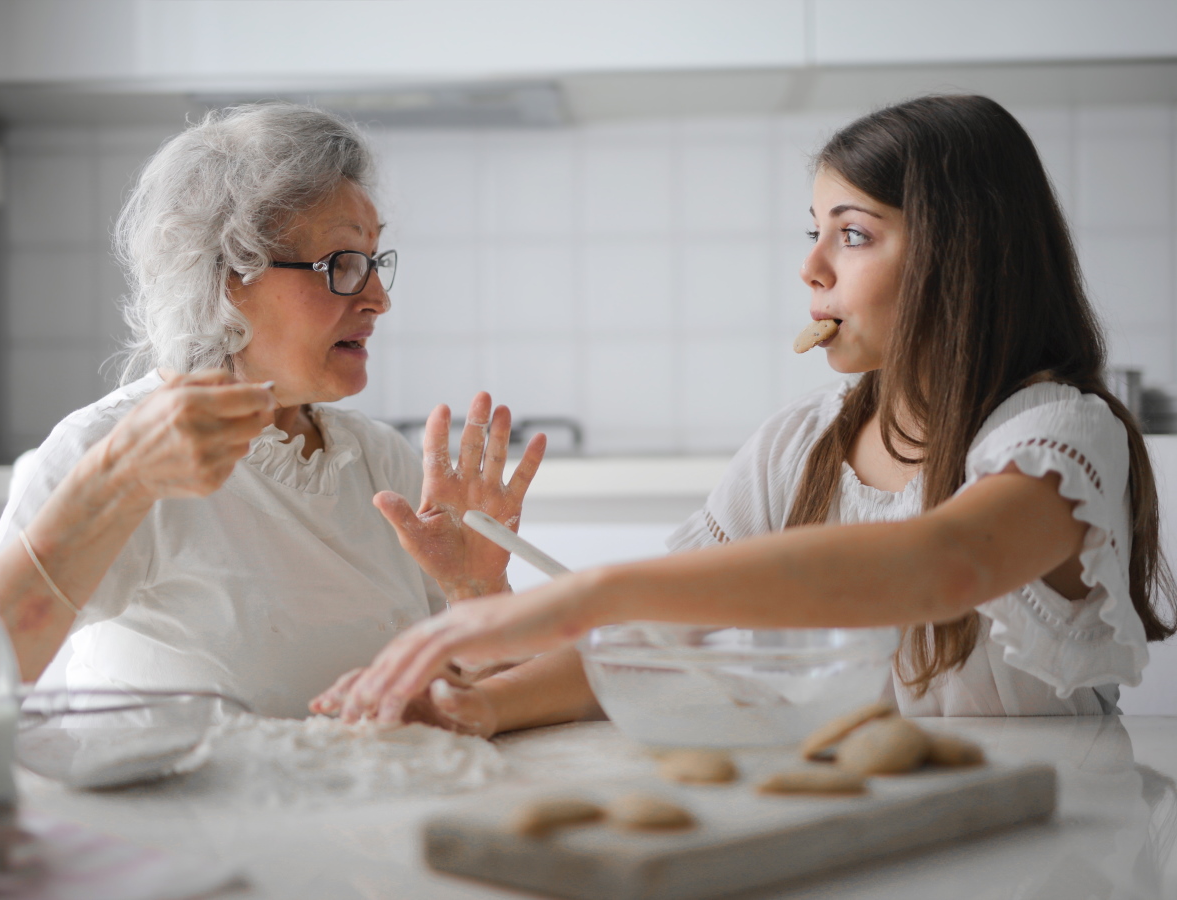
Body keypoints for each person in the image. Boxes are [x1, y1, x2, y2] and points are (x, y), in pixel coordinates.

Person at [316, 94, 1177, 726]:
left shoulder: (1060, 434)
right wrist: (483, 702)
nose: (811, 268)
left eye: (853, 233)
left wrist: (595, 589)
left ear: (963, 256)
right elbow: (659, 639)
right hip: (869, 832)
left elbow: (942, 564)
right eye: (813, 231)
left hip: (1051, 846)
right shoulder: (799, 445)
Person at [0, 103, 544, 719]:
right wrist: (114, 482)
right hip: (181, 816)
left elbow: (484, 704)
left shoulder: (379, 460)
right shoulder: (108, 447)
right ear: (225, 277)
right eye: (343, 264)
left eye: (376, 261)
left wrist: (478, 592)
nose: (378, 298)